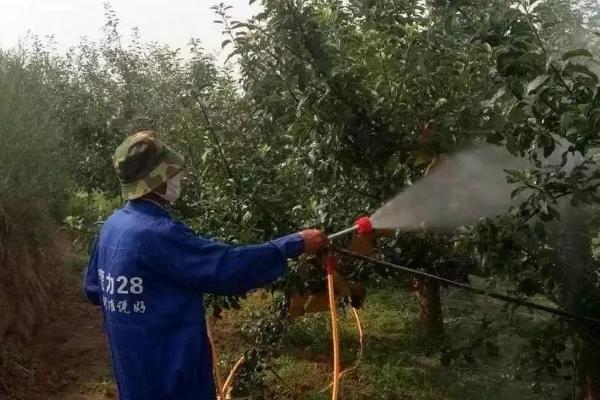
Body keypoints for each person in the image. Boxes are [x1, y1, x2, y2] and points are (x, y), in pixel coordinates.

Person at [83, 130, 328, 400]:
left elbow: (94, 288)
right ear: (157, 178)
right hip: (174, 382)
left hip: (134, 378)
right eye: (171, 172)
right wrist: (295, 243)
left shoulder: (112, 226)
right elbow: (228, 267)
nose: (177, 177)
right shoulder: (159, 234)